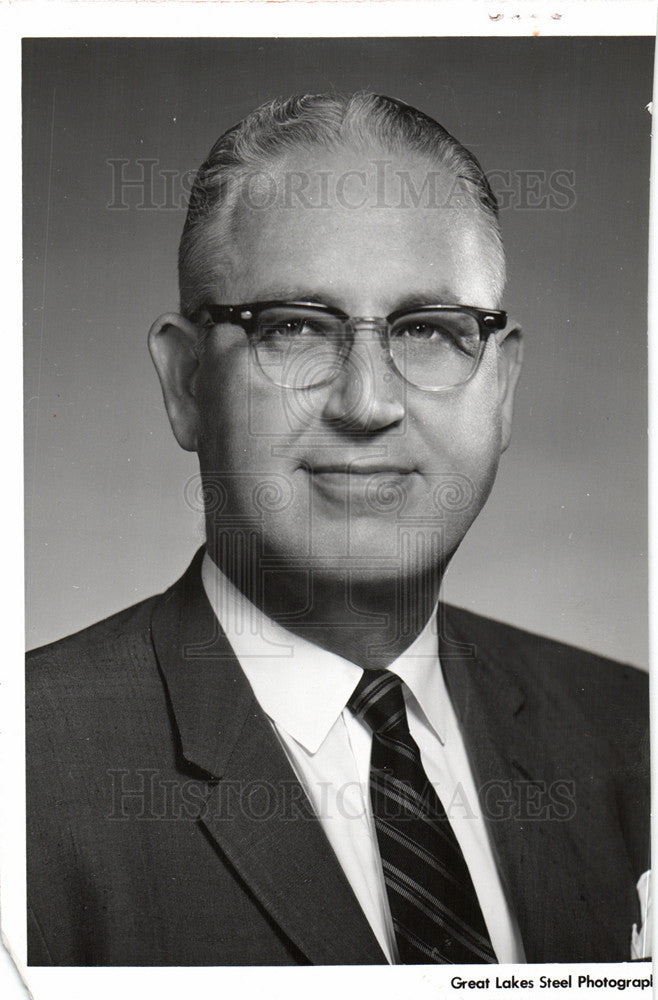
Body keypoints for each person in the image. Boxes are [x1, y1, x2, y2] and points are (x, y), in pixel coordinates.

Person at [26, 92, 649, 967]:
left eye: (429, 329)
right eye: (293, 328)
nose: (367, 404)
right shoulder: (29, 773)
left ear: (502, 389)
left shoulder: (632, 731)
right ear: (185, 382)